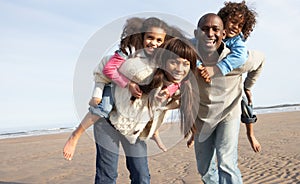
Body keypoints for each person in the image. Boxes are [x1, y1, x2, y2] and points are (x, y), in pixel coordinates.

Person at [63, 17, 172, 161]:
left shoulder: (159, 58)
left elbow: (178, 75)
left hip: (133, 104)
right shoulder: (128, 51)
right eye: (150, 38)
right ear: (142, 36)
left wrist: (169, 90)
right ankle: (75, 135)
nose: (154, 43)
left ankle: (154, 133)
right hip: (114, 85)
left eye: (159, 40)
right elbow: (108, 70)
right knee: (103, 108)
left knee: (155, 107)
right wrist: (128, 84)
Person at [94, 37, 199, 184]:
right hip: (109, 122)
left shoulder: (182, 89)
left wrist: (192, 131)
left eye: (185, 64)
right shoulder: (143, 72)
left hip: (135, 130)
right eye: (174, 62)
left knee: (142, 176)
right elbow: (106, 64)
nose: (179, 69)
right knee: (107, 176)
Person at [193, 13, 265, 183]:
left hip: (228, 113)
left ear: (223, 33)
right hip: (202, 116)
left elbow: (261, 59)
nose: (210, 34)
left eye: (215, 30)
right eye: (205, 29)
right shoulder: (190, 52)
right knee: (204, 168)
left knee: (226, 162)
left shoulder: (238, 58)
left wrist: (247, 86)